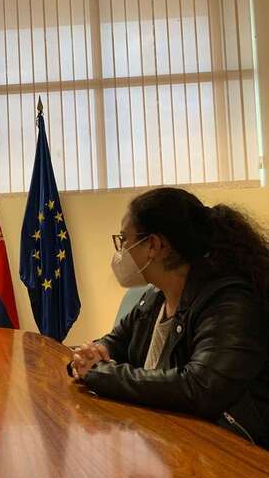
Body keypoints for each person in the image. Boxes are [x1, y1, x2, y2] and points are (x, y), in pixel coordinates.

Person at [69, 187, 269, 447]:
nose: (121, 252)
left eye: (124, 240)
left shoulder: (230, 301)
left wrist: (101, 374)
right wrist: (97, 352)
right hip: (166, 441)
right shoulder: (155, 297)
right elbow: (117, 341)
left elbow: (198, 388)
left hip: (228, 454)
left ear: (154, 245)